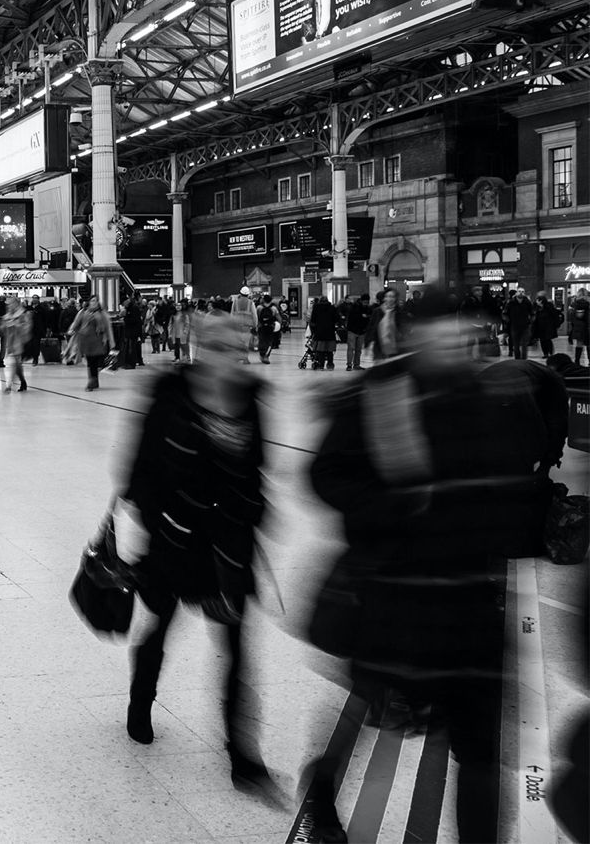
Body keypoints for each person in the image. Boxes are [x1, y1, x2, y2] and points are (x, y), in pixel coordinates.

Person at [301, 310, 556, 843]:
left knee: (479, 749)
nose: (458, 345)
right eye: (445, 334)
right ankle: (323, 788)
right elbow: (326, 476)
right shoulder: (381, 398)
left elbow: (521, 476)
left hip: (469, 604)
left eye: (465, 335)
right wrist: (395, 506)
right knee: (369, 702)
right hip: (395, 596)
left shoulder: (493, 395)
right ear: (416, 337)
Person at [115, 313, 273, 797]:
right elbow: (137, 469)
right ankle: (141, 699)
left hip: (227, 546)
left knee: (236, 649)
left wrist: (254, 514)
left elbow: (258, 470)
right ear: (200, 346)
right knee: (159, 624)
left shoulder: (251, 399)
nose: (232, 355)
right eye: (222, 346)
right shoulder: (169, 394)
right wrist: (160, 518)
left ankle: (242, 753)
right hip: (174, 540)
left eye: (237, 346)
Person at [69, 296, 114, 391]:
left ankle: (91, 382)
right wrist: (72, 330)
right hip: (85, 340)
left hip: (97, 340)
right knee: (90, 361)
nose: (95, 302)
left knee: (93, 361)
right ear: (88, 302)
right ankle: (94, 380)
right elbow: (76, 322)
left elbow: (108, 327)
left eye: (96, 301)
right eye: (92, 301)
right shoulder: (83, 312)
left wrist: (111, 341)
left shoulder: (102, 314)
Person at [0, 295, 32, 392]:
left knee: (14, 362)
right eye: (8, 304)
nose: (9, 306)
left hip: (19, 341)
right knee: (17, 364)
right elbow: (3, 328)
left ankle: (9, 385)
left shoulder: (23, 314)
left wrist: (17, 326)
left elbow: (27, 327)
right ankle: (23, 381)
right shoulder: (8, 315)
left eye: (11, 303)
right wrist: (3, 326)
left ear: (17, 304)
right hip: (10, 342)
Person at [367, 287, 406, 364]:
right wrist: (369, 342)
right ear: (384, 298)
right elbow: (371, 328)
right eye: (387, 296)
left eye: (392, 296)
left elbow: (402, 328)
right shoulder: (377, 311)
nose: (389, 299)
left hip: (395, 348)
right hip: (379, 347)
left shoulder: (399, 312)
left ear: (395, 299)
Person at [308, 293, 338, 369]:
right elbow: (336, 319)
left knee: (321, 350)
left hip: (319, 332)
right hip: (330, 332)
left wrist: (313, 331)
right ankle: (330, 364)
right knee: (329, 350)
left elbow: (313, 320)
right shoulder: (332, 308)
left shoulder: (316, 308)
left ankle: (321, 364)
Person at [342, 294, 370, 370]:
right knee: (351, 348)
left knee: (358, 349)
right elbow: (353, 318)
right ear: (361, 300)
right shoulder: (354, 307)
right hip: (353, 331)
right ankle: (349, 365)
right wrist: (363, 317)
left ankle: (356, 364)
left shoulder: (367, 308)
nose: (366, 303)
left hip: (361, 331)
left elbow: (368, 318)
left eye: (367, 302)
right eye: (365, 301)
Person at [505, 290, 534, 360]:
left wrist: (530, 322)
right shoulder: (511, 302)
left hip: (525, 326)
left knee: (524, 344)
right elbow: (505, 313)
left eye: (523, 291)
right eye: (519, 291)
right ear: (516, 293)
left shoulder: (527, 302)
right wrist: (509, 321)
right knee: (516, 344)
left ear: (524, 293)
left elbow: (532, 313)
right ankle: (517, 359)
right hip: (514, 326)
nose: (521, 292)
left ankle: (524, 359)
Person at [533, 290, 563, 359]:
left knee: (548, 339)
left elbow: (554, 314)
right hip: (539, 326)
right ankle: (545, 353)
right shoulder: (536, 306)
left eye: (540, 298)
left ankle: (551, 353)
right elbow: (535, 314)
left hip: (548, 326)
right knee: (542, 340)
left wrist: (556, 324)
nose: (538, 299)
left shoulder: (549, 305)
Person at [570, 287, 590, 366]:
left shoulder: (575, 303)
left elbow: (573, 315)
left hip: (578, 327)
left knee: (579, 344)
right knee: (588, 344)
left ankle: (577, 361)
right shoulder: (587, 304)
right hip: (587, 326)